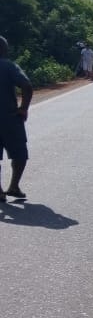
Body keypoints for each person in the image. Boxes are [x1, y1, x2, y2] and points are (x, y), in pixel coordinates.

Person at [0, 35, 33, 202]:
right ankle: (13, 186)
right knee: (19, 153)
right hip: (9, 119)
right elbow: (27, 86)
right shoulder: (9, 66)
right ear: (4, 49)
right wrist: (23, 108)